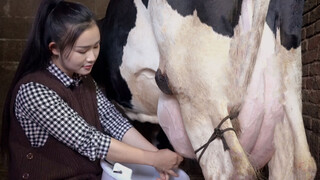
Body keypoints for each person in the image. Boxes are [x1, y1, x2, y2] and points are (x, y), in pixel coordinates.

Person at [0, 0, 183, 179]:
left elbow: (114, 122)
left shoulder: (84, 80)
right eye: (82, 51)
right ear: (54, 48)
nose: (92, 57)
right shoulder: (34, 91)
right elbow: (89, 140)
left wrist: (157, 156)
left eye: (96, 46)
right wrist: (152, 159)